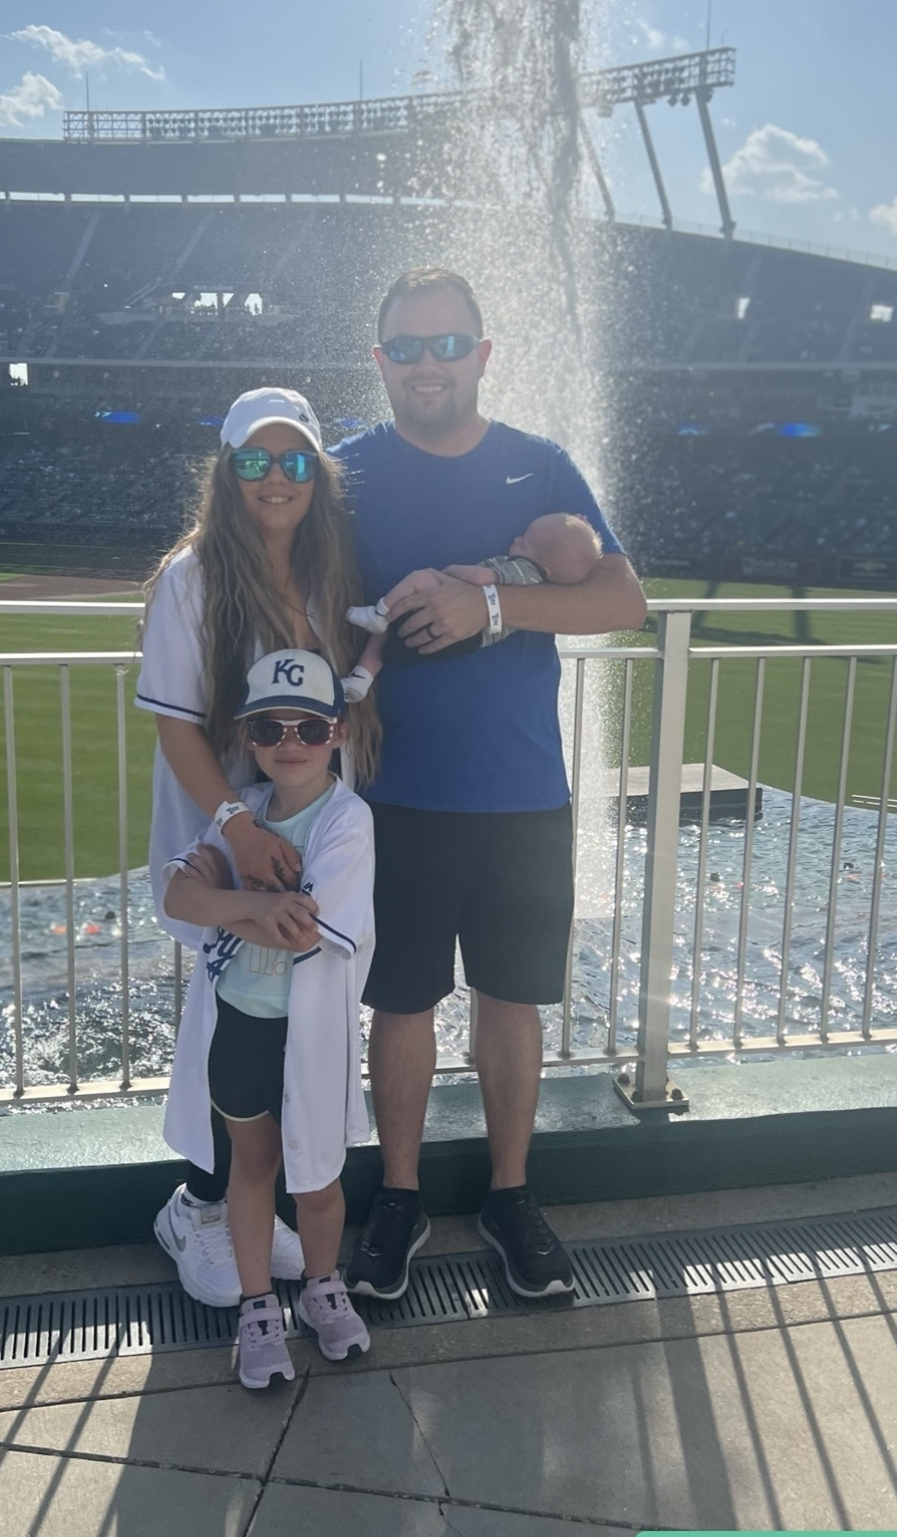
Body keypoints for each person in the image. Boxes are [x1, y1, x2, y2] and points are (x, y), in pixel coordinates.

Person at [333, 267, 647, 1302]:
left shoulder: (538, 462)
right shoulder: (346, 471)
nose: (425, 365)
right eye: (404, 347)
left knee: (512, 1001)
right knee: (401, 1005)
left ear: (480, 353)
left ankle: (510, 1194)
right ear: (380, 361)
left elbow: (621, 598)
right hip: (394, 791)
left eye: (444, 344)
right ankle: (400, 1196)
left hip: (521, 790)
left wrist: (495, 607)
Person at [136, 387, 377, 1309]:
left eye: (294, 461)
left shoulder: (328, 566)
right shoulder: (192, 575)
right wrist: (236, 828)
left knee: (276, 1011)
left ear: (317, 473)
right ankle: (198, 1206)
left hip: (302, 817)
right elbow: (176, 725)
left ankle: (242, 1203)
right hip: (223, 823)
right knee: (224, 1012)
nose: (275, 478)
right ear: (225, 472)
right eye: (253, 461)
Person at [162, 648, 374, 1389]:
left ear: (337, 734)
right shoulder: (242, 816)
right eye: (268, 728)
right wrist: (258, 905)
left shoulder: (347, 820)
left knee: (316, 1182)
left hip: (307, 1038)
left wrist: (225, 906)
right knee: (251, 1169)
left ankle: (321, 1286)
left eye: (309, 728)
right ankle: (257, 1309)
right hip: (240, 1027)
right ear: (246, 736)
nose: (290, 743)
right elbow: (177, 898)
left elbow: (307, 932)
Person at [342, 512, 602, 698]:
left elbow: (482, 578)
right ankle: (359, 681)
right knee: (389, 637)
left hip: (458, 620)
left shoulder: (526, 571)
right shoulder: (537, 579)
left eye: (524, 543)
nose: (516, 539)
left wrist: (450, 570)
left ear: (546, 567)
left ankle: (379, 613)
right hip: (469, 638)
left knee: (421, 578)